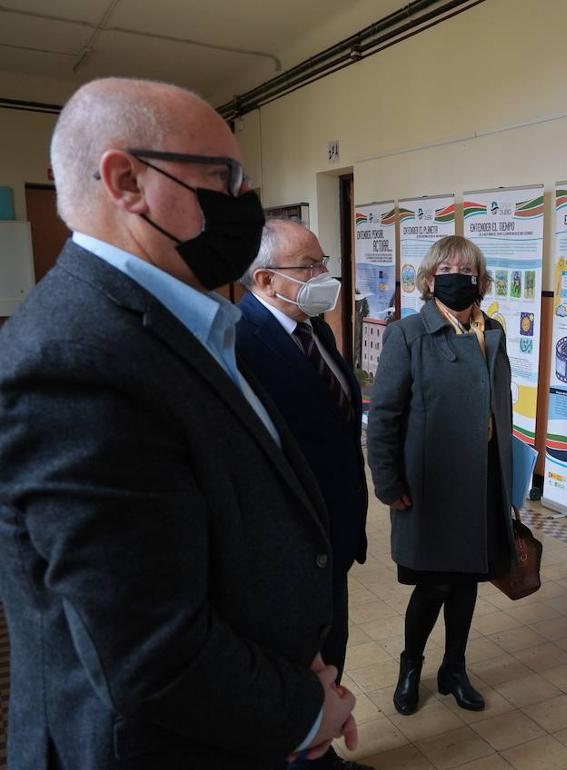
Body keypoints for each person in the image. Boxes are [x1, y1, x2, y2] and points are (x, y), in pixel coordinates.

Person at [0, 78, 357, 769]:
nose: (244, 205)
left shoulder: (186, 321)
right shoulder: (72, 358)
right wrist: (307, 708)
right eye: (225, 178)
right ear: (126, 180)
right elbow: (147, 648)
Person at [236, 219, 372, 770]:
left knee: (330, 647)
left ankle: (323, 752)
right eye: (310, 267)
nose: (324, 276)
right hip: (288, 544)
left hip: (332, 531)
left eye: (324, 263)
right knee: (297, 658)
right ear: (266, 280)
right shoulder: (240, 341)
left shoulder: (314, 327)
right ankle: (301, 756)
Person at [367, 235, 516, 716]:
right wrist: (389, 484)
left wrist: (508, 486)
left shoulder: (491, 330)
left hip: (482, 481)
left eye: (468, 268)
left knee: (468, 580)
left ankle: (455, 668)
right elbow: (384, 415)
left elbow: (502, 412)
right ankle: (411, 666)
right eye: (448, 267)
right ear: (430, 279)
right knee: (434, 584)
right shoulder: (407, 333)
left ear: (480, 279)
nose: (458, 274)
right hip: (428, 486)